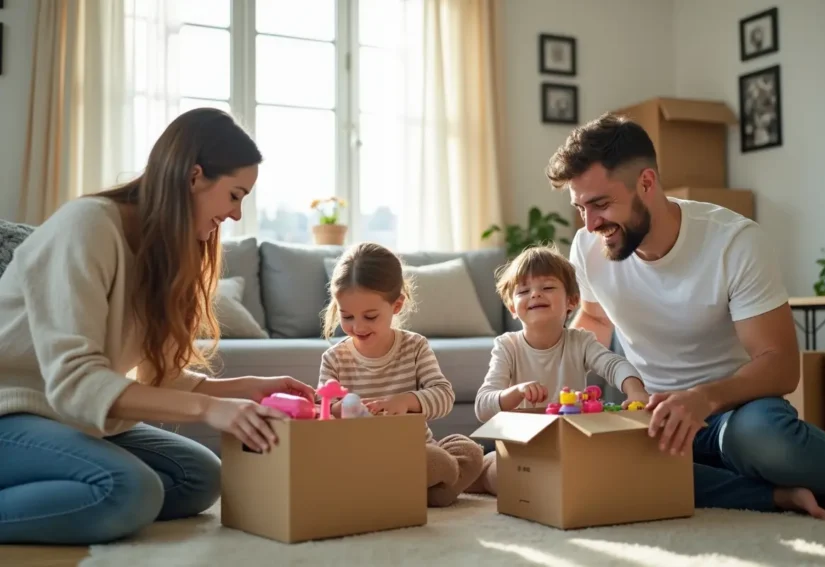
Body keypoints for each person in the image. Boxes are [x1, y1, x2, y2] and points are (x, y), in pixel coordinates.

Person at [0, 108, 316, 545]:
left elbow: (160, 376)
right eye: (235, 195)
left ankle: (72, 494)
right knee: (130, 490)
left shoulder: (164, 251)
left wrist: (247, 388)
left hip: (65, 420)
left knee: (199, 478)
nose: (237, 214)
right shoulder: (88, 226)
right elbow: (74, 382)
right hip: (11, 412)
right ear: (194, 177)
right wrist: (210, 411)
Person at [545, 111, 825, 519]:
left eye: (600, 204)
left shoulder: (734, 242)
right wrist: (553, 387)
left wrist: (702, 399)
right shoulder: (588, 246)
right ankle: (771, 494)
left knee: (763, 439)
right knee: (590, 459)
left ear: (647, 183)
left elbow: (780, 366)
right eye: (580, 207)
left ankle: (728, 469)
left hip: (735, 414)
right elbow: (595, 322)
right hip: (653, 418)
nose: (590, 223)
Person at [467, 244, 650, 495]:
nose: (535, 295)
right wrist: (517, 392)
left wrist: (636, 391)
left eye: (548, 287)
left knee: (605, 471)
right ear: (512, 307)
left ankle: (482, 466)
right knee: (505, 474)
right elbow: (483, 406)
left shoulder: (581, 342)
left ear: (572, 302)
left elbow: (614, 364)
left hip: (570, 449)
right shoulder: (507, 346)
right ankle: (477, 469)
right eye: (523, 290)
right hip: (523, 449)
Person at [318, 242, 484, 507]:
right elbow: (319, 411)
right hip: (360, 458)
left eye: (370, 316)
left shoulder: (415, 347)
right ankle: (433, 491)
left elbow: (443, 395)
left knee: (467, 451)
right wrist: (340, 411)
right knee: (444, 465)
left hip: (416, 453)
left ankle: (416, 486)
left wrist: (406, 402)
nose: (357, 326)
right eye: (347, 316)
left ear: (396, 306)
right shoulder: (335, 358)